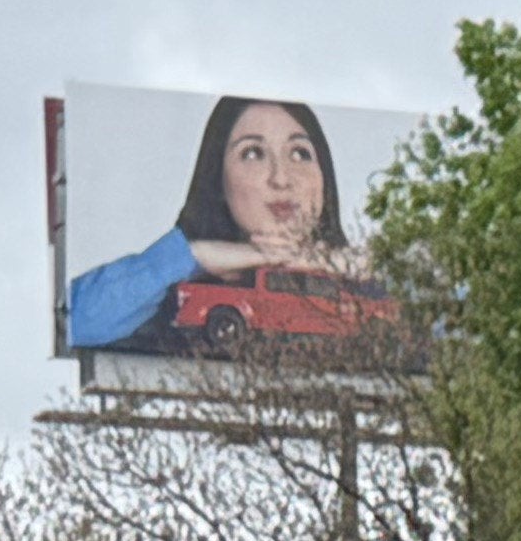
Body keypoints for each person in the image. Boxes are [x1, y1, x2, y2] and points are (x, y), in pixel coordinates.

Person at [64, 96, 398, 355]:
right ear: (218, 178)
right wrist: (193, 254)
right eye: (253, 153)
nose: (281, 178)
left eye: (299, 153)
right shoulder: (175, 293)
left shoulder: (367, 289)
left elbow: (447, 336)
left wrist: (375, 266)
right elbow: (74, 319)